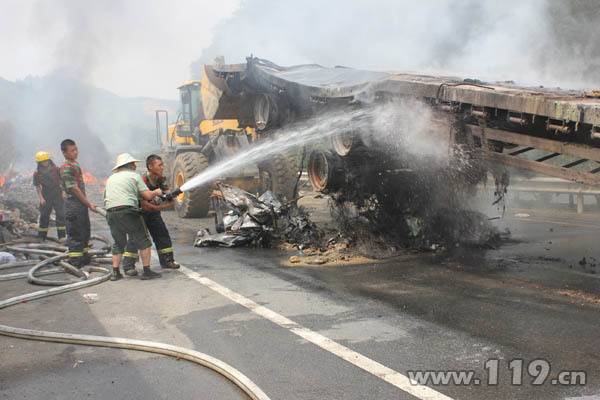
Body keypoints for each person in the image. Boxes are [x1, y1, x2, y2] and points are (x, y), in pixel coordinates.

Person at [104, 153, 163, 281]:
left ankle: (115, 273)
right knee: (144, 240)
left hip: (111, 212)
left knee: (118, 243)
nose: (135, 166)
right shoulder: (134, 176)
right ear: (128, 165)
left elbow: (106, 197)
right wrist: (157, 192)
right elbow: (147, 195)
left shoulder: (111, 178)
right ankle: (147, 270)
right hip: (128, 211)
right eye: (133, 164)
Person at [122, 154, 180, 276]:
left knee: (162, 234)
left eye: (162, 164)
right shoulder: (142, 180)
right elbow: (145, 205)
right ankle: (128, 267)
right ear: (150, 166)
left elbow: (166, 193)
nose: (163, 167)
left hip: (153, 213)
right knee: (135, 239)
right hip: (140, 214)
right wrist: (162, 206)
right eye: (160, 165)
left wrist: (171, 195)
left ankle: (167, 261)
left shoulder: (160, 178)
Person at [59, 139, 97, 268]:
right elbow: (74, 189)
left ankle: (84, 259)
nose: (76, 153)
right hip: (73, 205)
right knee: (75, 233)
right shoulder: (66, 168)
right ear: (64, 153)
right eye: (72, 150)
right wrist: (88, 204)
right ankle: (75, 263)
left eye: (76, 149)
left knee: (84, 231)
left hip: (79, 205)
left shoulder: (74, 165)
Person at [33, 151, 66, 241]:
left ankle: (62, 236)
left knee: (60, 215)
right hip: (46, 195)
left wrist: (63, 192)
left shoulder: (56, 169)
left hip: (57, 193)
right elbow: (38, 186)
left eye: (46, 160)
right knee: (44, 216)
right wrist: (41, 198)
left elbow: (61, 181)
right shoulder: (37, 173)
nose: (45, 163)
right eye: (42, 161)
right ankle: (42, 236)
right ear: (39, 163)